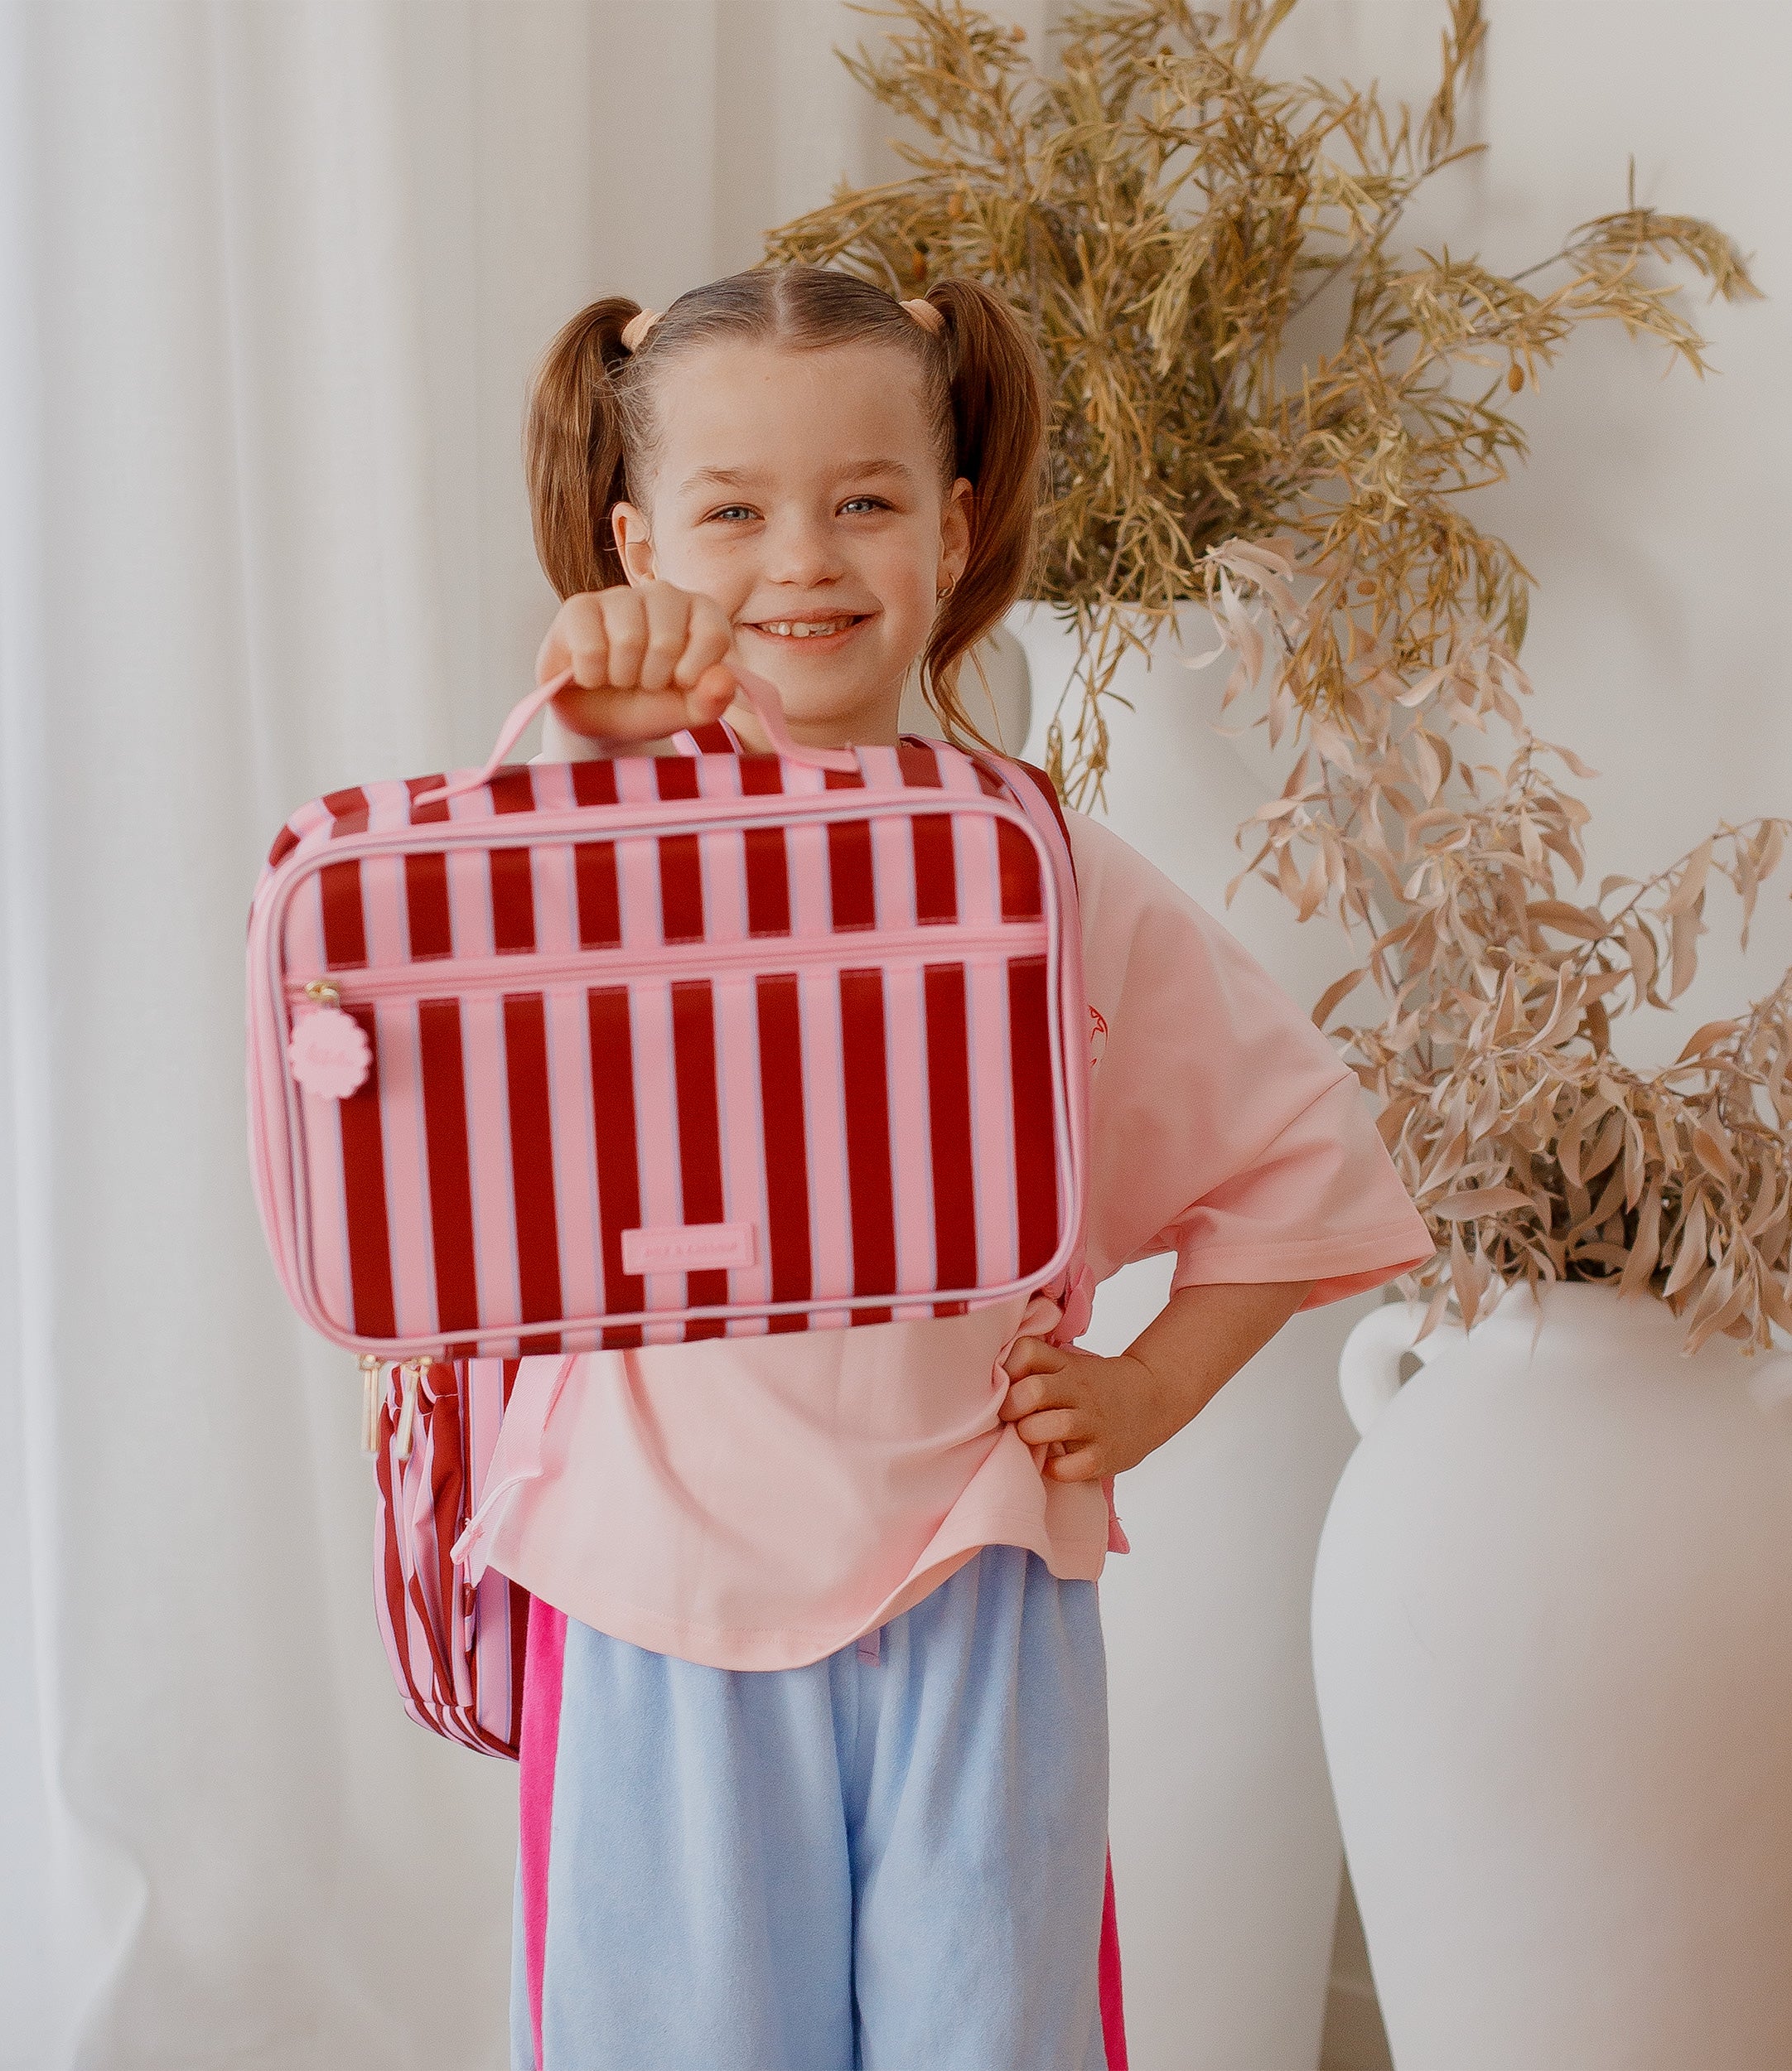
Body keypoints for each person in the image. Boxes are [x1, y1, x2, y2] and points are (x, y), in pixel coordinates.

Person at [476, 265, 1433, 2071]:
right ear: (633, 543)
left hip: (969, 1569)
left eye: (862, 499)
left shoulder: (1043, 872)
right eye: (729, 510)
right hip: (655, 1579)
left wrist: (1145, 1383)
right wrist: (595, 740)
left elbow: (1304, 1149)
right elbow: (462, 1053)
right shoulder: (587, 822)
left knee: (985, 2031)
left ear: (952, 521)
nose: (802, 560)